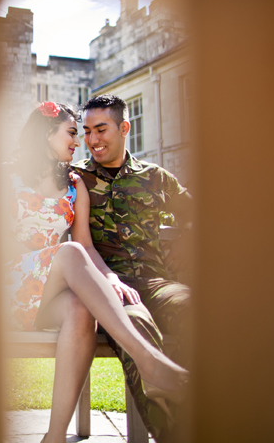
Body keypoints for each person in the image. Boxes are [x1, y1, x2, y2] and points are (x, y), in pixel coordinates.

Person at [6, 101, 187, 443]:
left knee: (79, 309)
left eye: (84, 133)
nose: (80, 142)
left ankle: (54, 436)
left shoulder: (74, 184)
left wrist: (111, 277)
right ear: (46, 134)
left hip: (42, 295)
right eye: (73, 133)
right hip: (5, 286)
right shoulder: (7, 175)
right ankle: (149, 362)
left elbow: (86, 248)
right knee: (69, 253)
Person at [73, 94, 193, 441]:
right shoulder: (77, 177)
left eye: (101, 129)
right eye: (87, 131)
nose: (92, 139)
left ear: (124, 128)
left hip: (157, 284)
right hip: (108, 289)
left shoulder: (154, 177)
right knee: (136, 324)